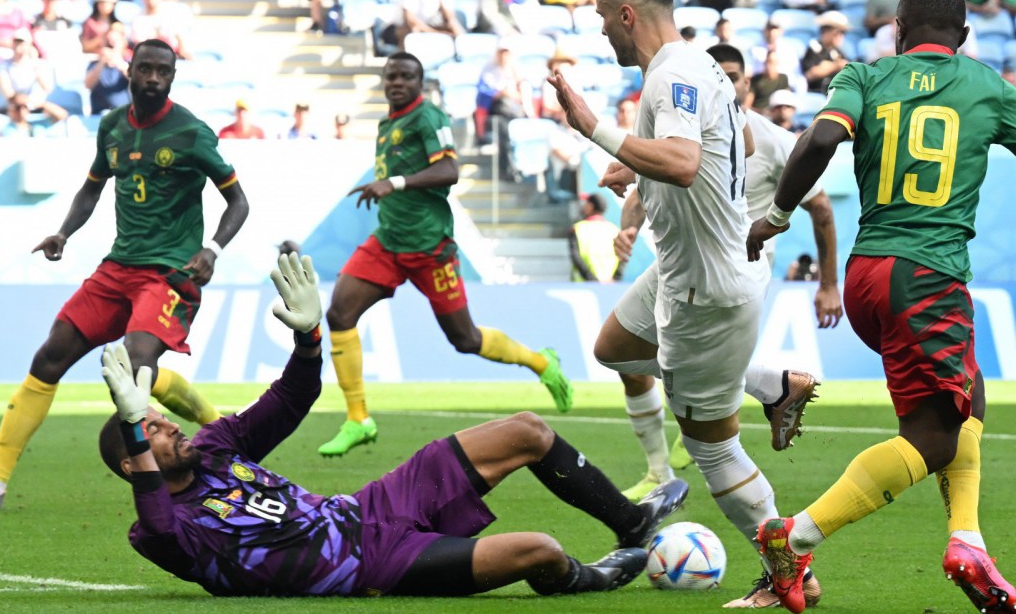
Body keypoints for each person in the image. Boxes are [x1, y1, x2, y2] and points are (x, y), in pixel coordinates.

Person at [746, 0, 1016, 613]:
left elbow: (820, 141)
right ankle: (792, 537)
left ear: (898, 30)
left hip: (867, 276)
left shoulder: (865, 76)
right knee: (933, 439)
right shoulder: (988, 86)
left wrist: (775, 215)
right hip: (928, 278)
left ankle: (968, 538)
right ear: (962, 37)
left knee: (968, 395)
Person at [98, 252, 688, 598]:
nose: (169, 426)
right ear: (131, 460)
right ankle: (585, 579)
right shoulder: (160, 530)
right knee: (541, 550)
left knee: (527, 430)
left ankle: (631, 521)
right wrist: (129, 423)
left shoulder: (214, 448)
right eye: (149, 429)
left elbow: (294, 396)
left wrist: (308, 337)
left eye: (156, 418)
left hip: (369, 507)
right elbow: (154, 511)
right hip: (374, 566)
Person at [547, 0, 818, 610]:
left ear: (628, 13)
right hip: (679, 273)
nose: (601, 30)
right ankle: (767, 385)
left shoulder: (672, 77)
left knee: (711, 447)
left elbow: (687, 162)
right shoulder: (692, 69)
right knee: (614, 347)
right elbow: (736, 152)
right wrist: (638, 175)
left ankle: (790, 571)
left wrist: (595, 130)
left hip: (706, 289)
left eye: (603, 17)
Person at [0, 39, 251, 511]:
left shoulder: (192, 133)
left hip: (168, 272)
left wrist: (213, 248)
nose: (153, 78)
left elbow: (238, 201)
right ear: (130, 71)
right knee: (50, 356)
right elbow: (91, 189)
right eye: (146, 68)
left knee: (135, 367)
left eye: (163, 71)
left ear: (173, 76)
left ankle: (211, 448)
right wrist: (63, 232)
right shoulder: (113, 126)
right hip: (118, 267)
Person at [321, 52, 571, 457]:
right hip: (388, 241)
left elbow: (450, 171)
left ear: (419, 82)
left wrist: (394, 183)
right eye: (391, 76)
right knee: (339, 314)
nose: (397, 82)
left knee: (465, 339)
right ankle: (357, 419)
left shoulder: (429, 118)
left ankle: (541, 362)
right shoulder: (389, 123)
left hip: (429, 246)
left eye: (406, 76)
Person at [570, 194, 619, 282]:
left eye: (586, 203)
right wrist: (615, 278)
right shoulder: (615, 230)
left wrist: (592, 280)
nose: (583, 206)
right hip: (609, 286)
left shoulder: (577, 229)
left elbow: (575, 257)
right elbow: (623, 258)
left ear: (590, 206)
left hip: (582, 286)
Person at [85, 21, 131, 113]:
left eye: (114, 43)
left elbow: (136, 81)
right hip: (99, 114)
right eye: (108, 43)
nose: (110, 46)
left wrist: (118, 62)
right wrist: (101, 62)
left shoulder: (128, 63)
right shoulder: (95, 64)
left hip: (123, 114)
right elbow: (88, 85)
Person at [802, 10, 851, 93]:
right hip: (818, 92)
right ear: (825, 31)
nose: (841, 36)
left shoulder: (836, 51)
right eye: (838, 32)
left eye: (843, 33)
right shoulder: (815, 47)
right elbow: (810, 74)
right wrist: (835, 66)